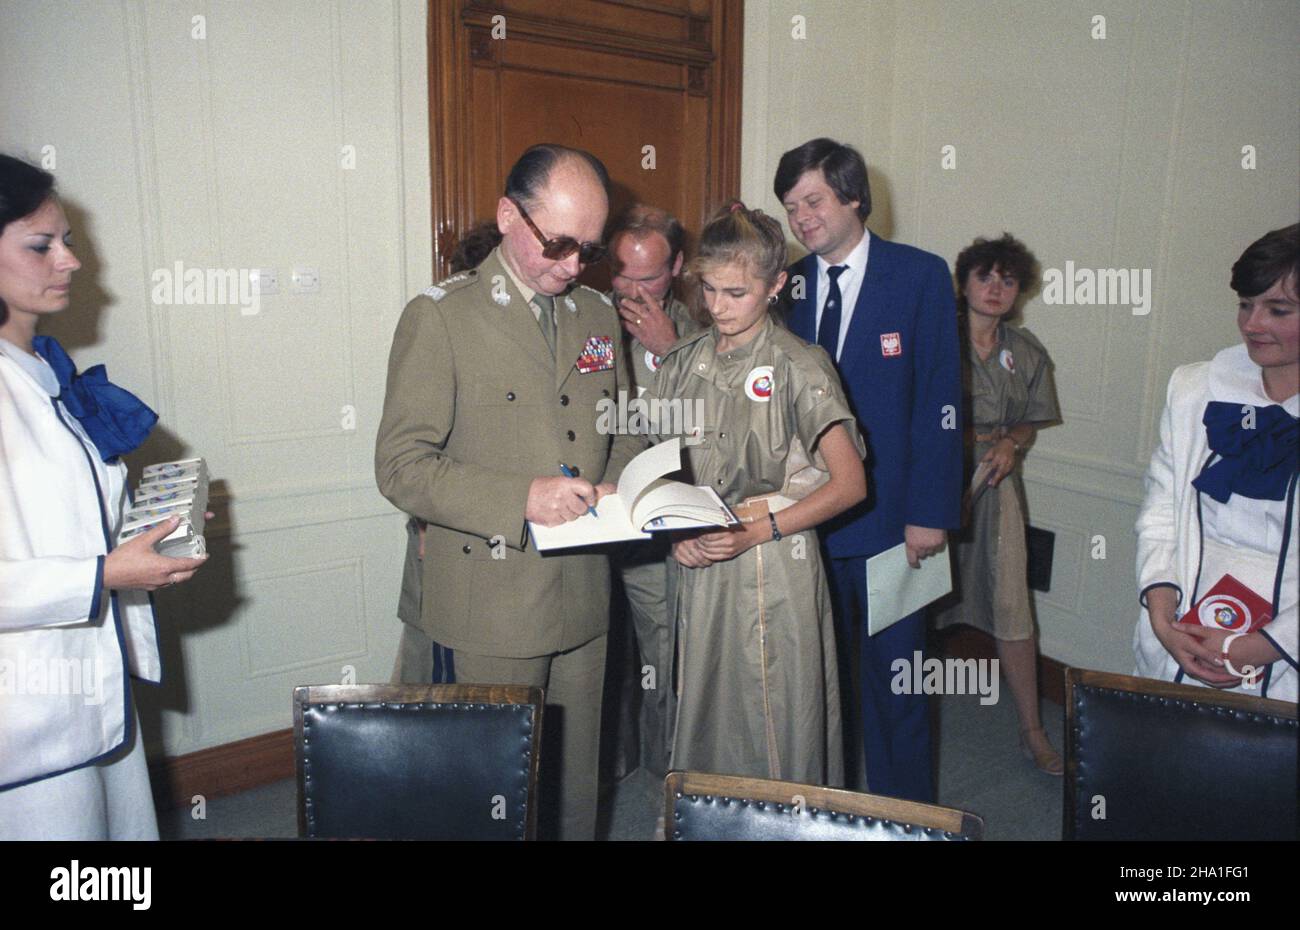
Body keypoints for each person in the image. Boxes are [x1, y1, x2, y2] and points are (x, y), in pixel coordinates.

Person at [374, 143, 641, 840]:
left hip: (584, 591)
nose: (575, 265)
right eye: (559, 244)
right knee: (488, 793)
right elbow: (401, 466)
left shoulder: (596, 315)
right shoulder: (442, 317)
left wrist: (628, 476)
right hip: (489, 600)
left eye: (591, 249)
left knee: (576, 790)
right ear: (505, 216)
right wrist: (521, 497)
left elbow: (621, 422)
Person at [0, 154, 208, 839]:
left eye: (67, 241)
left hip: (94, 685)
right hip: (25, 710)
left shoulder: (40, 369)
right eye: (41, 245)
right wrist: (105, 574)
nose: (70, 261)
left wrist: (154, 528)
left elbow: (66, 514)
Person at [644, 201, 867, 785]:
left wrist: (758, 529)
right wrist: (676, 537)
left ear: (776, 286)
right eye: (709, 289)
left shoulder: (800, 366)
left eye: (736, 293)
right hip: (703, 558)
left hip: (776, 557)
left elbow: (850, 485)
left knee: (775, 717)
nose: (717, 307)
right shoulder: (680, 362)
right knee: (704, 710)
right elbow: (659, 470)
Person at [775, 138, 962, 802]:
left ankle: (904, 819)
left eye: (813, 201)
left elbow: (941, 398)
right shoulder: (788, 284)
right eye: (792, 207)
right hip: (807, 527)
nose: (801, 219)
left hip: (895, 527)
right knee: (814, 689)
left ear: (854, 196)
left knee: (899, 686)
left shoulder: (921, 276)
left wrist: (930, 514)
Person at [1135, 224, 1298, 703]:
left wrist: (1264, 646)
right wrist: (1162, 615)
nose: (1252, 323)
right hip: (1185, 625)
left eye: (1278, 309)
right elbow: (1160, 510)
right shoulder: (1195, 390)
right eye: (1246, 304)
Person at [932, 233, 1063, 774]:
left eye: (1007, 280)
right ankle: (897, 710)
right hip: (937, 475)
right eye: (984, 276)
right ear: (963, 283)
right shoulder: (935, 338)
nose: (995, 288)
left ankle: (1032, 729)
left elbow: (1030, 417)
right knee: (917, 599)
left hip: (996, 477)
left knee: (1012, 603)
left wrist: (1013, 441)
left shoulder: (1025, 351)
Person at [606, 204, 697, 778]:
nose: (634, 292)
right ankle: (608, 763)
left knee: (664, 660)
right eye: (623, 276)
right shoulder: (585, 318)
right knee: (596, 655)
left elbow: (715, 426)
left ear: (678, 267)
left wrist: (670, 352)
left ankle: (668, 787)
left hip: (656, 527)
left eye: (649, 278)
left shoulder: (703, 329)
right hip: (585, 517)